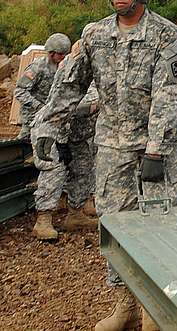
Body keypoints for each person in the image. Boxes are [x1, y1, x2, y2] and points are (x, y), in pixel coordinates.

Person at [34, 0, 177, 331]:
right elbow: (69, 86)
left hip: (158, 149)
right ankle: (127, 307)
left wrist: (155, 150)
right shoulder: (95, 35)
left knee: (159, 225)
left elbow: (168, 95)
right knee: (116, 226)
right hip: (112, 146)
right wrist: (47, 128)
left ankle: (157, 309)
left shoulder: (167, 36)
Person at [29, 37, 100, 241]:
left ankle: (75, 214)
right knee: (54, 170)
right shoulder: (73, 72)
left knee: (83, 167)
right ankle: (43, 220)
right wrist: (98, 104)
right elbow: (71, 104)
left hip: (75, 134)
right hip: (51, 128)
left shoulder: (101, 75)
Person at [13, 32, 71, 140]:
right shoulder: (37, 68)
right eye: (60, 54)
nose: (63, 57)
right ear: (51, 53)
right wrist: (39, 106)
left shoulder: (65, 67)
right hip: (32, 118)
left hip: (52, 118)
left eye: (65, 54)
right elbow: (19, 91)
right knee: (23, 147)